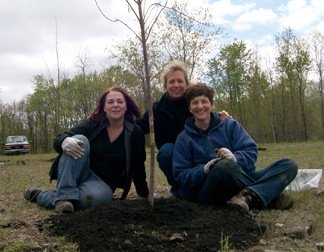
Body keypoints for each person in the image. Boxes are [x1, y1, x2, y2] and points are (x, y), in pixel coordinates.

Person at [172, 82, 298, 212]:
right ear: (189, 108)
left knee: (288, 165)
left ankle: (247, 196)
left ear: (211, 104)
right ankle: (268, 196)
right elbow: (181, 175)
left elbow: (251, 151)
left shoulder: (230, 125)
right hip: (209, 190)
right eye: (195, 103)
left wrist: (235, 158)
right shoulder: (184, 138)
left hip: (240, 176)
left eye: (204, 101)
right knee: (223, 167)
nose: (200, 106)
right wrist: (204, 169)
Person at [24, 86, 149, 213]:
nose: (115, 105)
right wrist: (63, 141)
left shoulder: (135, 133)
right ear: (104, 107)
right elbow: (59, 138)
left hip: (101, 184)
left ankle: (41, 195)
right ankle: (65, 196)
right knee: (78, 139)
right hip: (78, 172)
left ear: (126, 106)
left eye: (120, 101)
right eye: (110, 102)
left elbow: (138, 166)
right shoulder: (92, 123)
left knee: (93, 200)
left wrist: (144, 195)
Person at [137, 60, 229, 190]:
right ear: (165, 85)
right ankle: (180, 187)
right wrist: (117, 122)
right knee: (165, 152)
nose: (176, 85)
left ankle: (208, 182)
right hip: (174, 156)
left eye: (180, 81)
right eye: (171, 82)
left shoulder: (195, 104)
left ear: (186, 84)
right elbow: (138, 127)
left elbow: (208, 116)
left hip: (196, 152)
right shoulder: (156, 110)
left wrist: (221, 118)